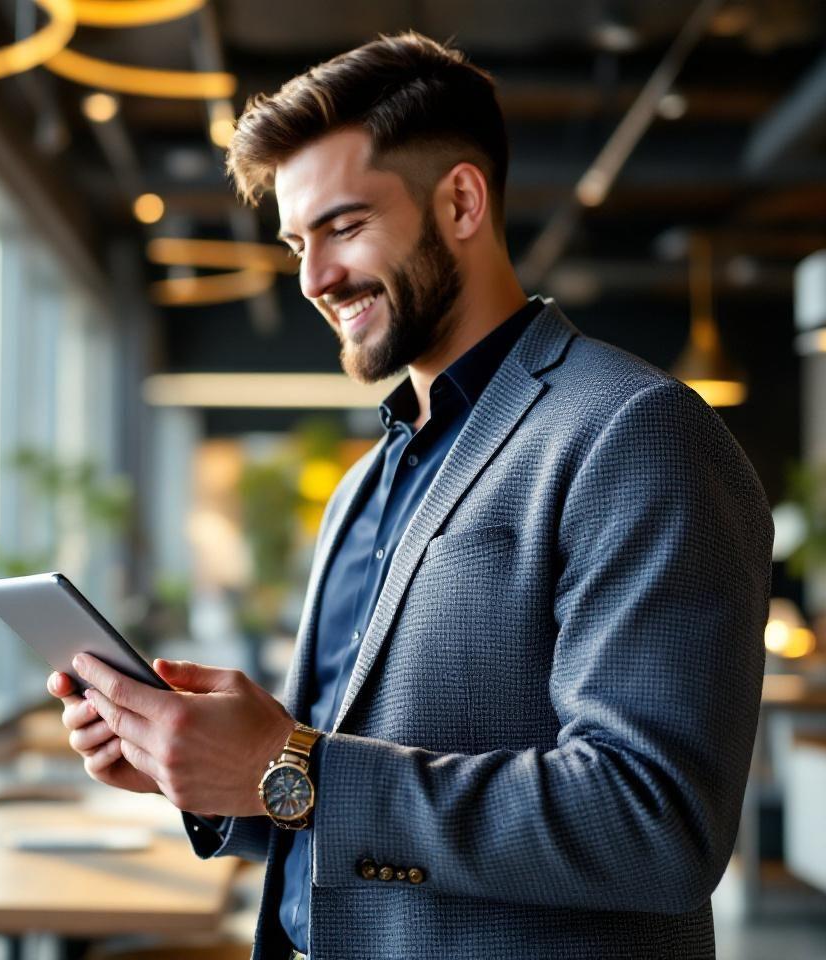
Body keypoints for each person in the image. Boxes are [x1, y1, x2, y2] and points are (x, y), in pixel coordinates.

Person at [47, 30, 773, 960]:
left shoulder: (635, 431)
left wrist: (288, 764)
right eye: (297, 242)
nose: (314, 280)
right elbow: (344, 804)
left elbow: (653, 824)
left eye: (345, 226)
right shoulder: (365, 484)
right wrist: (203, 769)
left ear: (462, 201)